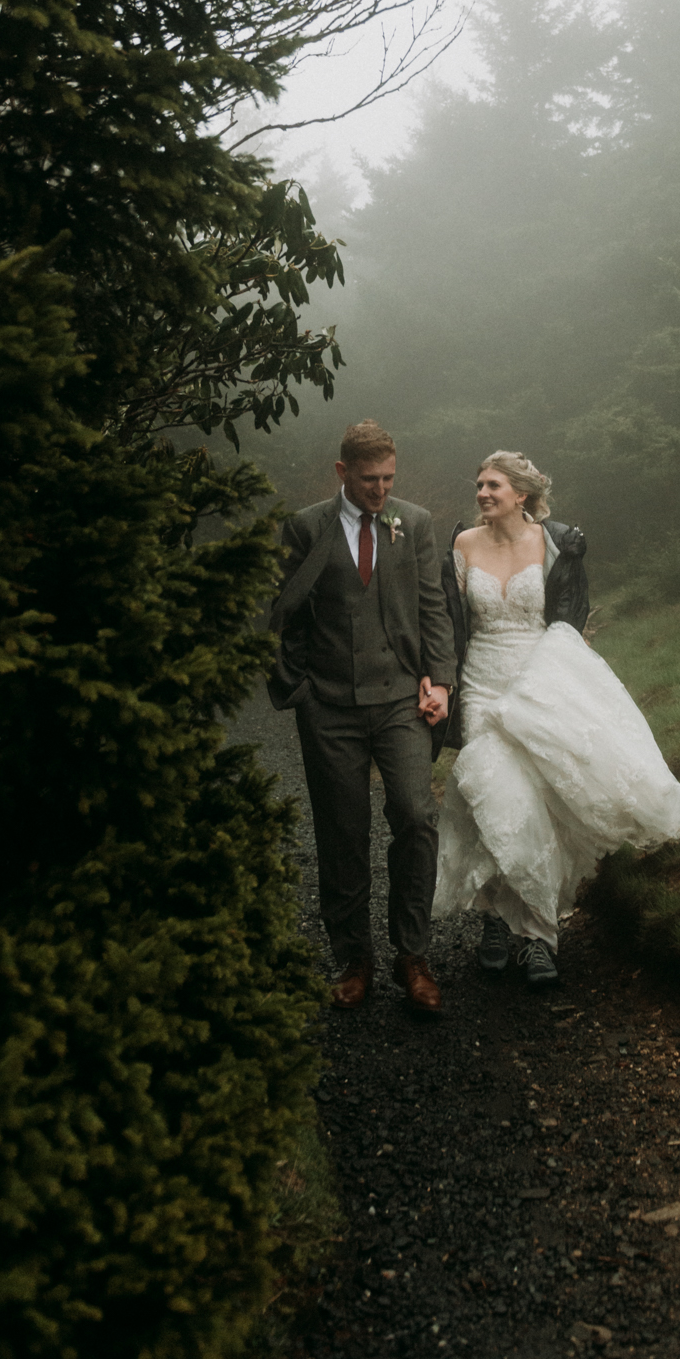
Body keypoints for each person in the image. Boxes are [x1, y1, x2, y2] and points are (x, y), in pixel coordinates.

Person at [433, 450, 680, 987]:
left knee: (538, 805)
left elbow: (569, 618)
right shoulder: (463, 544)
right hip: (481, 683)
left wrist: (574, 682)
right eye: (479, 484)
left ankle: (537, 938)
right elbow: (448, 620)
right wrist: (441, 681)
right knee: (493, 796)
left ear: (521, 494)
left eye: (493, 485)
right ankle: (494, 919)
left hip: (540, 681)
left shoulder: (556, 543)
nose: (482, 493)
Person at [268, 420, 456, 1015]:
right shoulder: (305, 526)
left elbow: (433, 607)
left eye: (389, 479)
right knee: (342, 832)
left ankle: (412, 955)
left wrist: (441, 679)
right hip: (329, 706)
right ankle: (355, 959)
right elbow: (283, 612)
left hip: (401, 698)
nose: (380, 490)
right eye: (370, 479)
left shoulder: (413, 522)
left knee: (417, 815)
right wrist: (299, 689)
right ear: (343, 472)